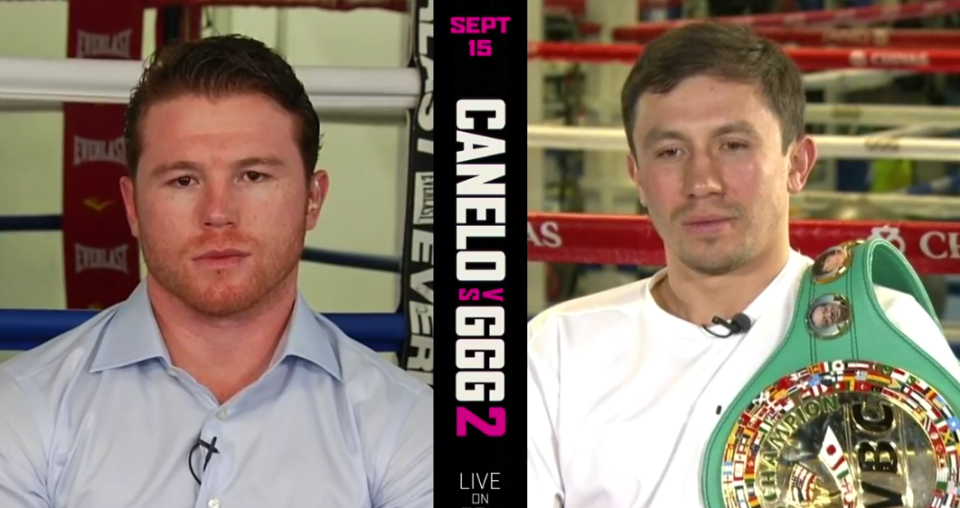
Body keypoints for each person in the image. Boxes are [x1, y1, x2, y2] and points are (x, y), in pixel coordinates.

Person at [526, 22, 960, 508]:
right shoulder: (558, 351)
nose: (701, 181)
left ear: (797, 164)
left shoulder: (881, 329)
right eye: (670, 152)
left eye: (733, 145)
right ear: (639, 178)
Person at [0, 35, 432, 507]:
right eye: (183, 180)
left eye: (253, 176)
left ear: (313, 199)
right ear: (132, 206)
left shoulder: (408, 424)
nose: (218, 212)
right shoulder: (21, 410)